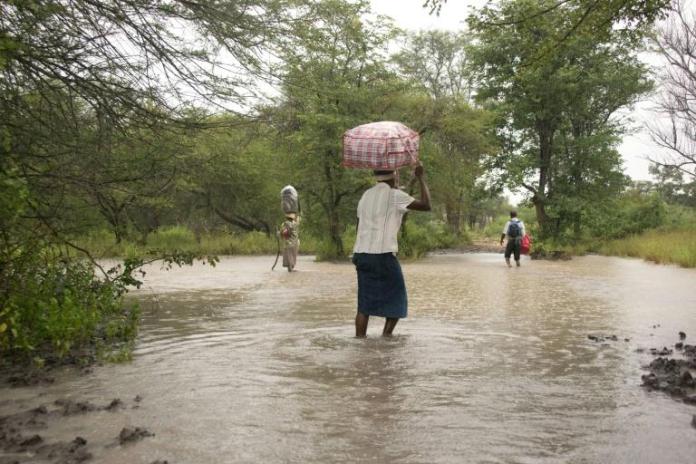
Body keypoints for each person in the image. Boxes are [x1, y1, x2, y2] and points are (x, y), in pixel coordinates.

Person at [352, 163, 431, 338]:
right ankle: (386, 337)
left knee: (364, 305)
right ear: (394, 175)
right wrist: (420, 177)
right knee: (398, 298)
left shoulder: (365, 196)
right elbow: (426, 205)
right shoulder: (395, 196)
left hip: (361, 254)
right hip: (383, 255)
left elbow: (359, 227)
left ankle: (359, 342)